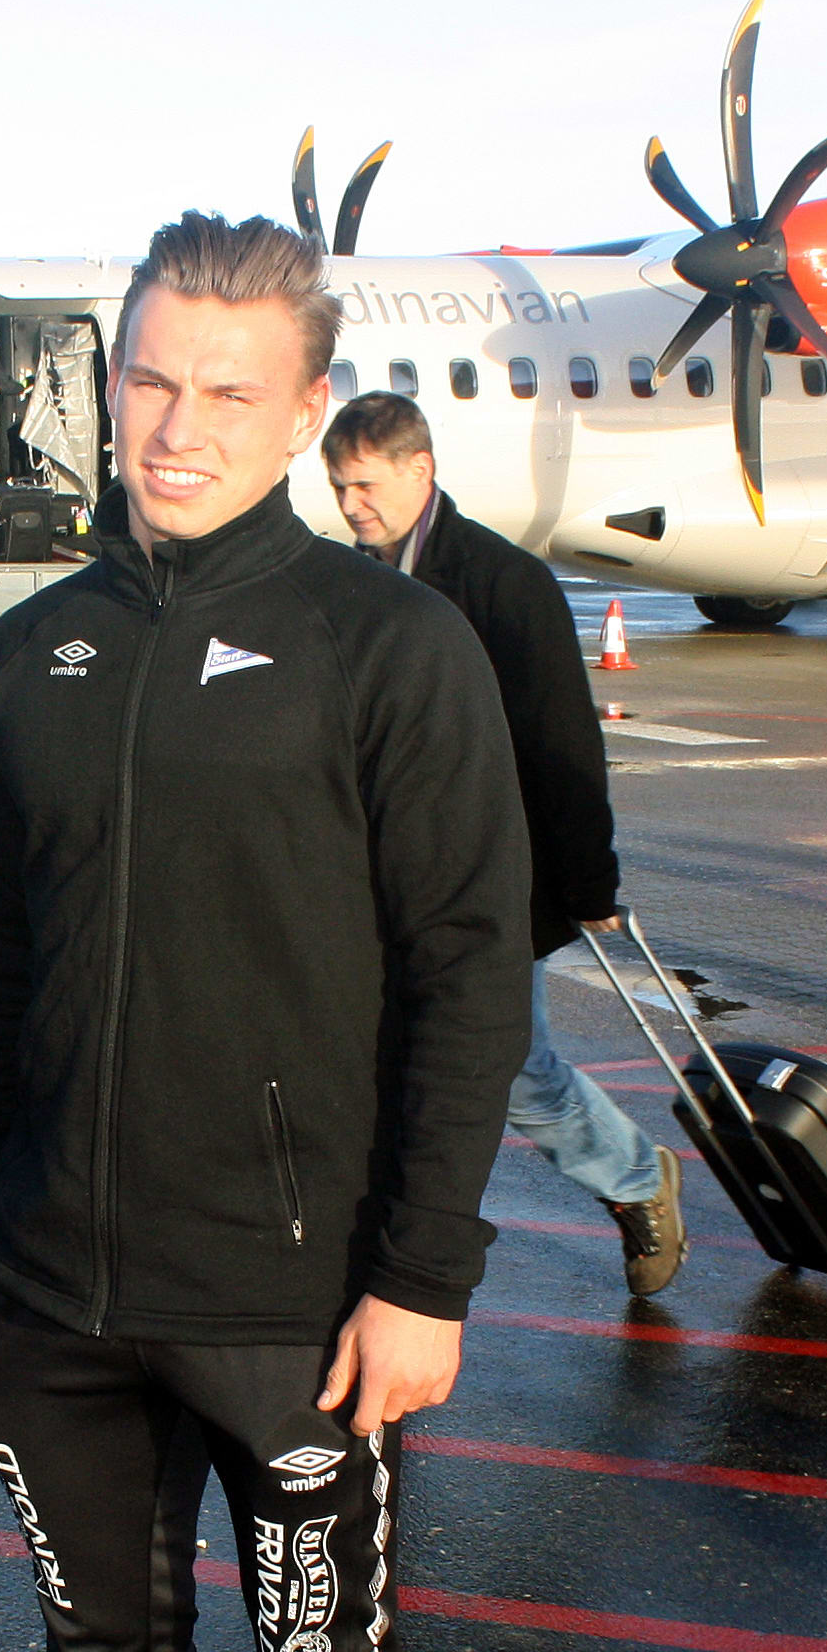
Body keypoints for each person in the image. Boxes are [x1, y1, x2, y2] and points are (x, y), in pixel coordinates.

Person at [0, 211, 532, 1652]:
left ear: (302, 410)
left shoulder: (388, 647)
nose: (177, 427)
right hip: (49, 1287)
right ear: (113, 379)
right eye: (151, 380)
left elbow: (468, 974)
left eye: (228, 393)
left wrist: (423, 1273)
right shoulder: (41, 648)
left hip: (292, 1299)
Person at [320, 388, 686, 1293]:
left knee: (511, 1068)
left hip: (485, 875)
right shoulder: (349, 583)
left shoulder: (502, 582)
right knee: (369, 1054)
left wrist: (588, 879)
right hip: (377, 875)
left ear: (420, 469)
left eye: (365, 486)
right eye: (338, 487)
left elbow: (562, 740)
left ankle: (636, 1177)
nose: (350, 506)